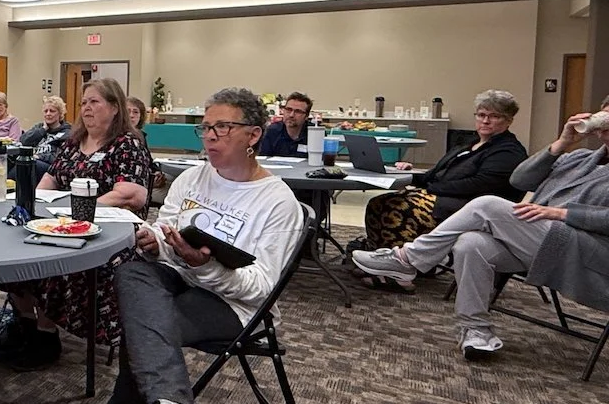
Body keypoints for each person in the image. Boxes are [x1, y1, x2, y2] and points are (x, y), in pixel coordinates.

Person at [69, 87, 304, 404]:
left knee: (144, 320)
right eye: (205, 127)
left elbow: (261, 289)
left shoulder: (277, 202)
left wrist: (205, 265)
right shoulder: (191, 179)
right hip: (181, 276)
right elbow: (167, 235)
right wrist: (156, 242)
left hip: (235, 305)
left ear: (253, 135)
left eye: (223, 127)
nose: (210, 136)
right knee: (130, 273)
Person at [352, 101, 609, 361]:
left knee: (486, 204)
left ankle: (406, 259)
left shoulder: (508, 149)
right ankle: (476, 330)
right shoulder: (578, 158)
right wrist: (561, 143)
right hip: (544, 243)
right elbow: (520, 180)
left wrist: (562, 213)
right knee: (471, 243)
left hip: (589, 254)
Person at [0, 79, 152, 370]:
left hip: (109, 235)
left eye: (95, 102)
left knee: (54, 262)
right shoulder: (73, 142)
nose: (87, 108)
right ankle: (25, 325)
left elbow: (131, 195)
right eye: (83, 103)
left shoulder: (128, 145)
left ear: (114, 107)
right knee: (14, 250)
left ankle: (46, 337)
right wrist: (36, 204)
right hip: (62, 223)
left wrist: (78, 212)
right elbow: (50, 179)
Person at [357, 89, 527, 274]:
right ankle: (379, 259)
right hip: (444, 196)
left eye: (494, 116)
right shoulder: (469, 144)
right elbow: (437, 173)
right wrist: (411, 175)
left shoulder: (508, 151)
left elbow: (478, 184)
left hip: (470, 208)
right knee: (378, 203)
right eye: (481, 115)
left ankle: (403, 269)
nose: (485, 121)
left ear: (508, 120)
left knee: (397, 208)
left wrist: (432, 188)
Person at [17, 96, 71, 177]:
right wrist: (43, 130)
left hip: (49, 165)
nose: (48, 114)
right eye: (46, 111)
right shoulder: (39, 127)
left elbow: (60, 156)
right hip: (33, 161)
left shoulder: (66, 132)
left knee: (31, 165)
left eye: (52, 111)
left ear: (60, 113)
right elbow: (23, 141)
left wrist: (39, 156)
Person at [259, 92, 312, 158]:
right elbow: (262, 159)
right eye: (289, 110)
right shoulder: (272, 131)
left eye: (298, 111)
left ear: (306, 116)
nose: (291, 115)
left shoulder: (314, 134)